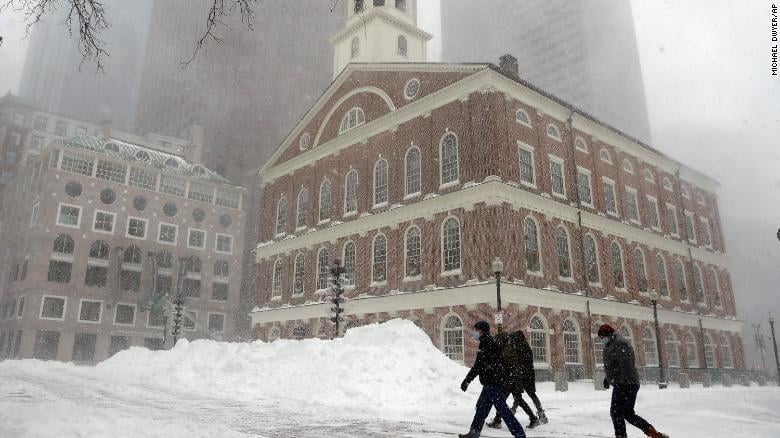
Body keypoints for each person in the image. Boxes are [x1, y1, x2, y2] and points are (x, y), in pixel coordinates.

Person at [598, 324, 670, 438]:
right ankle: (654, 434)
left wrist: (622, 382)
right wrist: (608, 378)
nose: (602, 340)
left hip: (626, 383)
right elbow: (613, 365)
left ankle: (622, 435)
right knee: (627, 413)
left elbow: (626, 365)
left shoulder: (620, 344)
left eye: (603, 337)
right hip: (623, 382)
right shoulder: (610, 346)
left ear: (609, 335)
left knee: (617, 412)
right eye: (600, 338)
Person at [459, 321, 526, 438]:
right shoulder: (488, 341)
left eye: (476, 330)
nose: (474, 333)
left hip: (493, 383)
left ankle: (519, 434)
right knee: (481, 407)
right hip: (491, 382)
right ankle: (474, 433)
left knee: (503, 410)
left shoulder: (486, 343)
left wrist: (467, 380)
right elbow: (484, 364)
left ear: (481, 331)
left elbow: (478, 366)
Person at [486, 329, 547, 430]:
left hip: (515, 378)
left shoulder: (512, 350)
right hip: (520, 377)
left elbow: (511, 365)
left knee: (505, 399)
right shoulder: (518, 348)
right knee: (518, 398)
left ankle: (498, 420)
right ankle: (533, 417)